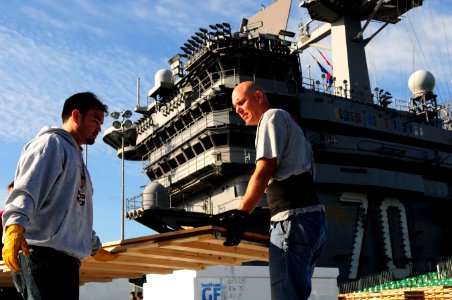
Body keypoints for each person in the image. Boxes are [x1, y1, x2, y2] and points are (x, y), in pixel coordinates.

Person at [2, 92, 118, 300]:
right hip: (39, 254)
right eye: (95, 120)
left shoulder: (77, 161)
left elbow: (76, 213)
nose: (100, 128)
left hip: (64, 258)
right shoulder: (51, 144)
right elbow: (27, 189)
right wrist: (14, 227)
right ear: (76, 115)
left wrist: (94, 247)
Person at [224, 81, 328, 300]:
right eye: (235, 108)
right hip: (313, 222)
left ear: (259, 96)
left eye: (241, 102)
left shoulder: (271, 117)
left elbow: (264, 168)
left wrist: (241, 214)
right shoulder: (295, 127)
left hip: (292, 221)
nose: (238, 110)